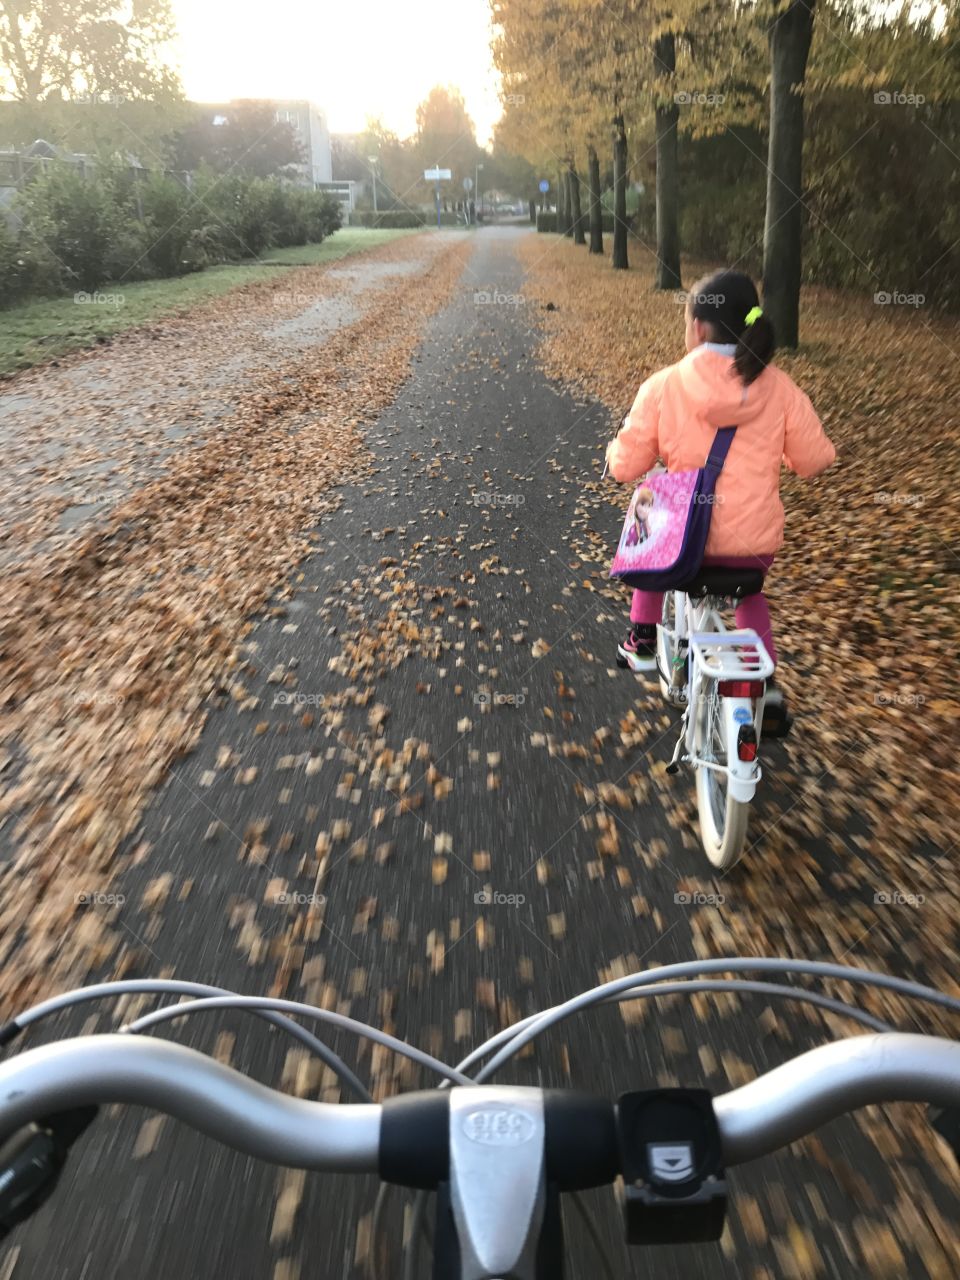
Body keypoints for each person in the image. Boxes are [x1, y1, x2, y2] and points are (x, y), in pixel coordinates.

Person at [605, 269, 836, 729]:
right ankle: (766, 686)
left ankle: (643, 638)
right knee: (749, 593)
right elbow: (814, 460)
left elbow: (627, 466)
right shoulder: (782, 389)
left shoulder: (665, 384)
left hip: (684, 543)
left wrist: (615, 455)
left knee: (648, 509)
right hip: (752, 546)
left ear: (697, 327)